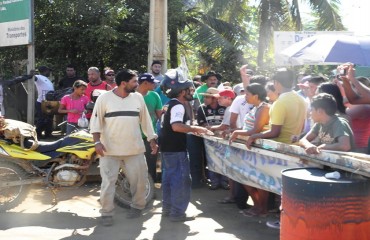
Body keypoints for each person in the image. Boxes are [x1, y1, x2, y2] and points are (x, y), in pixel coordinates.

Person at [90, 69, 158, 226]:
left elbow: (146, 121)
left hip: (134, 149)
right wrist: (97, 142)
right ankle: (106, 213)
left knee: (140, 181)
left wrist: (152, 140)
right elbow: (96, 123)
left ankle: (137, 207)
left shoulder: (138, 98)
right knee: (108, 182)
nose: (137, 84)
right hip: (109, 150)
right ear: (123, 83)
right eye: (134, 81)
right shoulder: (104, 99)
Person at [246, 69, 307, 230]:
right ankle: (287, 220)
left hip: (279, 151)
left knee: (281, 189)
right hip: (295, 148)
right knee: (288, 190)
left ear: (277, 84)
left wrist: (255, 136)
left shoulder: (280, 102)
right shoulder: (301, 100)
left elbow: (275, 132)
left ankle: (284, 221)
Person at [160, 68, 211, 222]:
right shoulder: (178, 106)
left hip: (167, 149)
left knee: (169, 180)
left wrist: (191, 128)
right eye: (189, 89)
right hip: (176, 150)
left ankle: (168, 209)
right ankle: (177, 213)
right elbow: (176, 126)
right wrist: (196, 128)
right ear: (181, 92)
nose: (191, 92)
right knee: (181, 181)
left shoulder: (170, 104)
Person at [229, 83, 270, 217]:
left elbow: (255, 130)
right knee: (247, 178)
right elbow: (248, 127)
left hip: (256, 149)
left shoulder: (264, 108)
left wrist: (236, 133)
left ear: (256, 96)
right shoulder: (256, 107)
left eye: (247, 94)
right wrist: (234, 131)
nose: (245, 96)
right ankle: (257, 206)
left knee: (258, 180)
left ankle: (261, 208)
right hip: (248, 148)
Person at [137, 73, 162, 182]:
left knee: (151, 163)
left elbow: (159, 115)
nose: (155, 85)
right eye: (153, 83)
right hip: (134, 136)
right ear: (145, 83)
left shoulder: (155, 95)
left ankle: (150, 187)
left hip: (150, 135)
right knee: (135, 164)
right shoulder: (131, 96)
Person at [34, 66, 55, 139]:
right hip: (42, 102)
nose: (49, 72)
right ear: (45, 71)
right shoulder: (39, 77)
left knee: (49, 119)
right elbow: (34, 78)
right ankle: (38, 134)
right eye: (48, 71)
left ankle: (48, 134)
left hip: (49, 102)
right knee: (42, 119)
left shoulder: (47, 79)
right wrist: (32, 75)